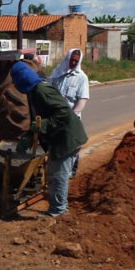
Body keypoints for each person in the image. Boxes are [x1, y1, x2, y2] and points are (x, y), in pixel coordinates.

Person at [9, 61, 88, 218]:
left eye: (15, 80)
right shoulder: (33, 92)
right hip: (61, 137)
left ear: (22, 79)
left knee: (58, 176)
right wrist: (28, 137)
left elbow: (63, 113)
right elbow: (38, 120)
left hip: (67, 138)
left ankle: (58, 211)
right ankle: (58, 208)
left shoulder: (41, 90)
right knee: (54, 174)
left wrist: (41, 125)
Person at [47, 48, 89, 176]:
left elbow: (82, 99)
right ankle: (53, 169)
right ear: (67, 58)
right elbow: (49, 90)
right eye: (71, 60)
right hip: (56, 116)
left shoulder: (81, 78)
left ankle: (71, 170)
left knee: (72, 145)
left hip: (72, 117)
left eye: (76, 61)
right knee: (55, 144)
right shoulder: (57, 73)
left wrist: (73, 114)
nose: (73, 63)